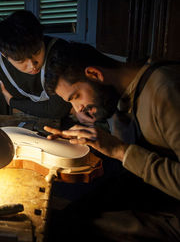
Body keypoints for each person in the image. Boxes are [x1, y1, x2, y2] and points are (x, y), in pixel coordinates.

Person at [43, 41, 180, 241]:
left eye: (76, 96)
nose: (78, 108)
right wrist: (94, 138)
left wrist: (120, 151)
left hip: (172, 211)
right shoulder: (124, 94)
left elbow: (128, 151)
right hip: (149, 190)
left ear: (94, 74)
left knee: (70, 227)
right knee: (60, 212)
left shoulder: (166, 90)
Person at [0, 10, 76, 120]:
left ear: (41, 38)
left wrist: (12, 102)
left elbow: (58, 110)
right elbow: (52, 108)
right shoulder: (0, 64)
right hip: (29, 118)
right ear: (4, 54)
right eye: (21, 61)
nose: (32, 65)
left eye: (36, 52)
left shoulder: (59, 52)